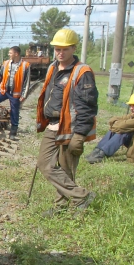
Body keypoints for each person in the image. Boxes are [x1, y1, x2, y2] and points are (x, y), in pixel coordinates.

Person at [36, 28, 98, 215]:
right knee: (45, 165)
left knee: (66, 167)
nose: (60, 53)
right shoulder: (53, 67)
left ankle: (61, 206)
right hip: (53, 125)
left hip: (70, 127)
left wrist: (79, 134)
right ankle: (81, 195)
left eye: (64, 49)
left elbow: (88, 106)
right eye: (57, 49)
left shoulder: (82, 72)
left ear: (73, 49)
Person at [86, 92, 134, 164]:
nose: (131, 108)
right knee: (119, 128)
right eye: (130, 105)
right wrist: (116, 124)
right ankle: (98, 151)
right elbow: (114, 119)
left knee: (124, 131)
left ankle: (102, 154)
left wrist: (116, 124)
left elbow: (122, 126)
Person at [0, 45, 31, 140]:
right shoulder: (6, 63)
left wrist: (24, 95)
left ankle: (13, 132)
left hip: (15, 93)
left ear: (16, 54)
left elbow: (27, 82)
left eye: (10, 53)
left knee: (15, 111)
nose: (9, 54)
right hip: (4, 91)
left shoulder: (26, 65)